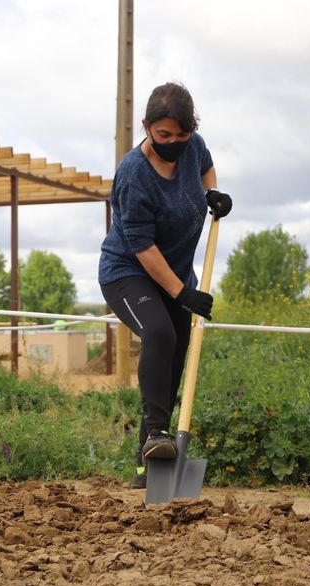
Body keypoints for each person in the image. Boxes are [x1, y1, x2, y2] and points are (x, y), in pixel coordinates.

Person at [98, 81, 233, 489]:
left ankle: (148, 471)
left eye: (182, 134)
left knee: (172, 364)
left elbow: (206, 165)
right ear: (146, 127)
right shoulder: (133, 174)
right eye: (164, 135)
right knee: (159, 333)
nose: (174, 142)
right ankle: (156, 435)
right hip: (129, 272)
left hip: (174, 275)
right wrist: (182, 293)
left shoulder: (194, 147)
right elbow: (142, 247)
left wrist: (214, 192)